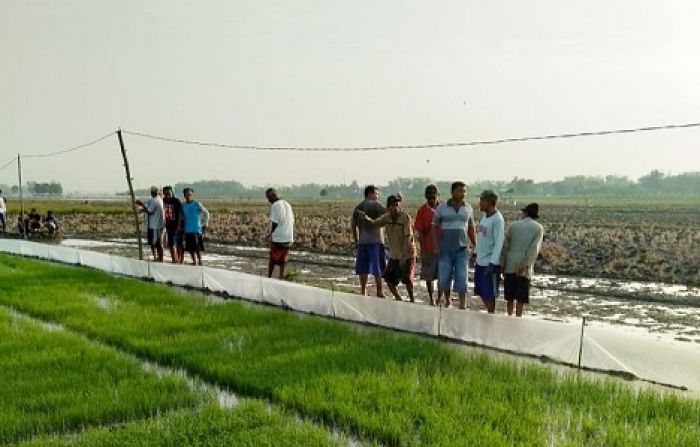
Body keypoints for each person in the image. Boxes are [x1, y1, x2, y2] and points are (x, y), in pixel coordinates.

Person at [361, 194, 417, 301]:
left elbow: (407, 238)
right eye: (393, 205)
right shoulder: (386, 217)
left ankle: (412, 299)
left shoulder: (405, 217)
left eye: (397, 205)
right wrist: (366, 218)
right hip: (395, 254)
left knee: (407, 279)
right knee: (388, 279)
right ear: (388, 207)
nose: (395, 207)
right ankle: (398, 298)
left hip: (407, 253)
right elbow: (375, 223)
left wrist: (404, 257)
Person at [432, 181, 476, 309]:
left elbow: (471, 228)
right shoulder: (442, 208)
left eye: (464, 191)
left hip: (462, 249)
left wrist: (475, 245)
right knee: (445, 276)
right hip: (445, 248)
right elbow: (434, 227)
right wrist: (435, 245)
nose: (463, 193)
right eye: (460, 191)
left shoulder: (468, 208)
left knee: (462, 277)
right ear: (452, 192)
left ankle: (463, 303)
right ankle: (448, 300)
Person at [501, 203, 544, 317]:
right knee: (520, 298)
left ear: (525, 213)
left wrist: (502, 263)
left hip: (510, 263)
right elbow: (534, 248)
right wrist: (526, 265)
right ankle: (518, 318)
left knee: (510, 297)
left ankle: (509, 315)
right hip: (524, 267)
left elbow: (506, 246)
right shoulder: (538, 228)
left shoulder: (513, 226)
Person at [472, 190, 505, 313]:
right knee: (480, 290)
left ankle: (491, 315)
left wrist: (493, 263)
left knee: (489, 294)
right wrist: (475, 253)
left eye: (482, 200)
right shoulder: (485, 217)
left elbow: (498, 243)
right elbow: (481, 237)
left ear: (490, 202)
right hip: (481, 260)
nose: (480, 203)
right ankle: (489, 312)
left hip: (489, 263)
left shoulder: (497, 220)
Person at [351, 185, 387, 297]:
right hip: (375, 241)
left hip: (362, 241)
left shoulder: (358, 208)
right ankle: (380, 291)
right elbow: (388, 212)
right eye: (376, 193)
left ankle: (363, 290)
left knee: (363, 268)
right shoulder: (376, 205)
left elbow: (353, 226)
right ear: (370, 193)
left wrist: (356, 240)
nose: (378, 196)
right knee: (378, 267)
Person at [413, 184, 441, 305]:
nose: (431, 200)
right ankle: (431, 298)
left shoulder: (443, 209)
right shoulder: (422, 211)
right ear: (426, 197)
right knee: (429, 276)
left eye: (433, 197)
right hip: (429, 248)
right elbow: (419, 231)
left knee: (443, 276)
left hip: (443, 248)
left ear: (437, 196)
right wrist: (423, 249)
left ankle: (440, 298)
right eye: (428, 198)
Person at [266, 188, 295, 279]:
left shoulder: (275, 205)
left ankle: (269, 278)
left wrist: (271, 234)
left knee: (273, 259)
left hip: (279, 236)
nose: (268, 200)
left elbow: (275, 223)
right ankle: (281, 277)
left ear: (273, 196)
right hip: (289, 236)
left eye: (269, 198)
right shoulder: (287, 204)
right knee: (283, 259)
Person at [134, 186, 165, 263]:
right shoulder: (157, 200)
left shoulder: (156, 200)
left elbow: (150, 210)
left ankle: (160, 258)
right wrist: (142, 208)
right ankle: (156, 257)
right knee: (153, 242)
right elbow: (147, 207)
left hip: (156, 225)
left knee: (158, 243)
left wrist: (141, 204)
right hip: (154, 224)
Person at [181, 187, 209, 266]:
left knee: (197, 248)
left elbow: (206, 213)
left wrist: (204, 224)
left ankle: (200, 261)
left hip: (196, 229)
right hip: (187, 229)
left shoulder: (197, 204)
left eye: (189, 194)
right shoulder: (183, 205)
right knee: (190, 248)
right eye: (186, 195)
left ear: (192, 195)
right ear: (184, 195)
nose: (188, 196)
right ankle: (194, 261)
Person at [162, 186, 184, 263]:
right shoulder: (163, 200)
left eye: (168, 193)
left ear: (171, 192)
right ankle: (174, 258)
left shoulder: (176, 201)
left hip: (176, 223)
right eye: (165, 193)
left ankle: (179, 258)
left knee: (178, 242)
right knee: (171, 242)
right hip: (168, 224)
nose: (167, 195)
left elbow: (180, 213)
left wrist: (179, 225)